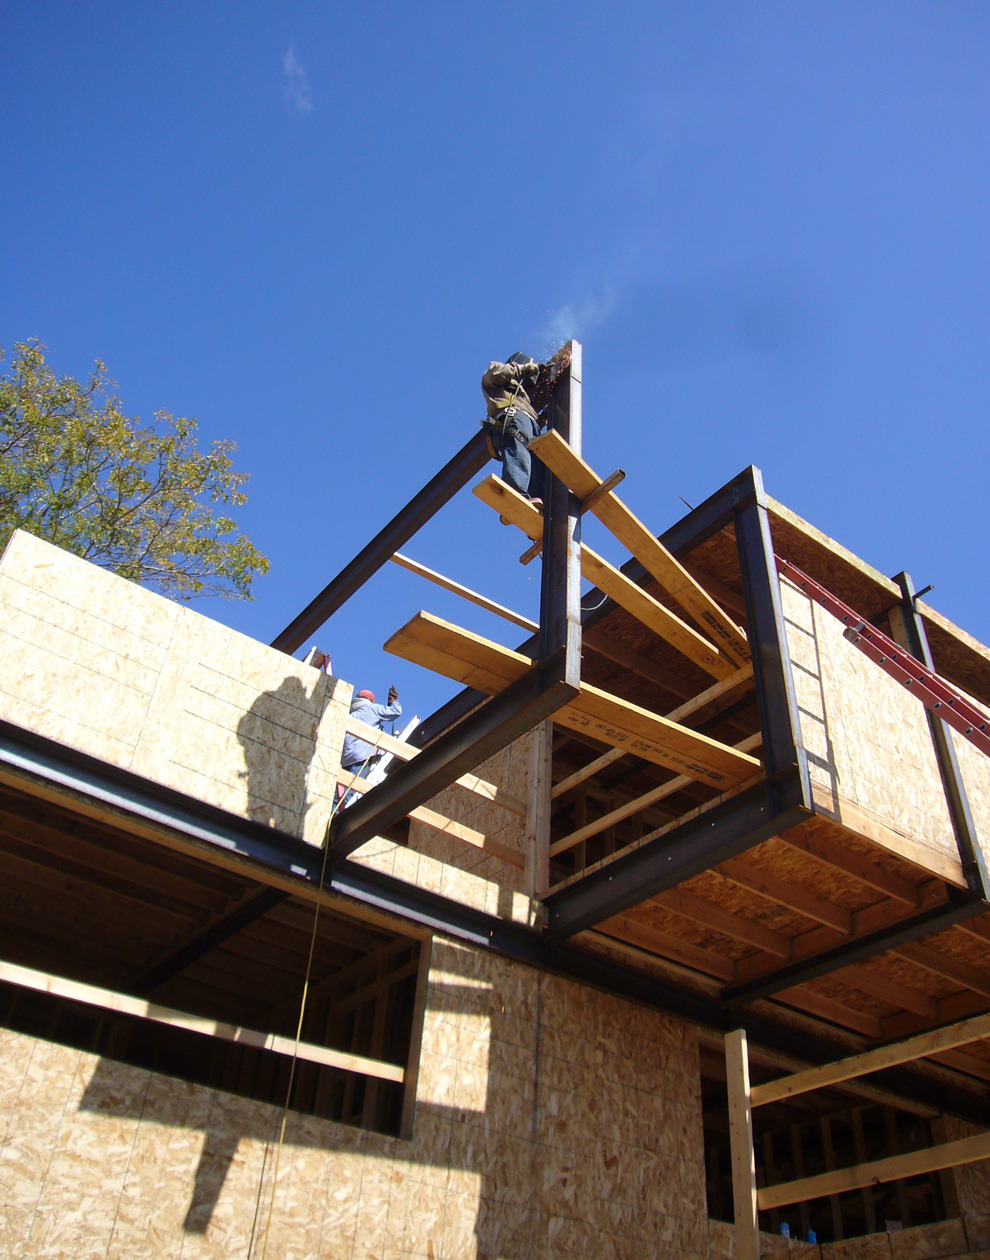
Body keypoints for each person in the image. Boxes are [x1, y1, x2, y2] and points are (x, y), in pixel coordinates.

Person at [481, 353, 546, 506]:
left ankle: (536, 501)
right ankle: (515, 492)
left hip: (526, 424)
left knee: (537, 462)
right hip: (513, 420)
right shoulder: (496, 378)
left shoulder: (522, 398)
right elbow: (496, 373)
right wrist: (524, 368)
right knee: (519, 452)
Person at [337, 686, 402, 806]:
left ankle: (333, 810)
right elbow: (396, 712)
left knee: (340, 791)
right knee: (351, 789)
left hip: (345, 759)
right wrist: (393, 701)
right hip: (361, 757)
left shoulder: (351, 714)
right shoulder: (372, 708)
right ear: (371, 701)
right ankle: (339, 814)